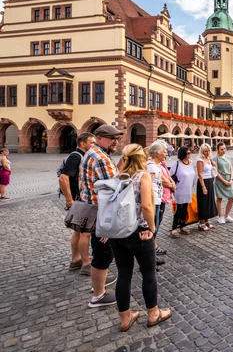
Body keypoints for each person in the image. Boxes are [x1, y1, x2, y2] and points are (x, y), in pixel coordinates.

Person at [109, 144, 172, 332]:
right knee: (148, 273)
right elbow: (146, 207)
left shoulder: (117, 177)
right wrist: (152, 230)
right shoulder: (142, 176)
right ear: (141, 157)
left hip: (118, 233)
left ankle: (125, 318)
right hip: (139, 233)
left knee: (124, 275)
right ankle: (153, 313)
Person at [79, 124, 122, 308]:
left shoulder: (94, 153)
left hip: (93, 210)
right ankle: (98, 295)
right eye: (112, 138)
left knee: (101, 252)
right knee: (103, 254)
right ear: (100, 137)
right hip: (101, 214)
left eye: (117, 138)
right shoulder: (101, 158)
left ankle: (99, 284)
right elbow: (114, 189)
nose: (116, 141)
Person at [59, 132, 95, 274]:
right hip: (78, 200)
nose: (94, 145)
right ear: (82, 143)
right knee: (84, 232)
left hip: (79, 199)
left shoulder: (82, 155)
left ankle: (76, 260)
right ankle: (85, 263)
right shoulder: (76, 156)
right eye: (92, 143)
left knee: (78, 231)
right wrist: (69, 200)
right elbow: (63, 178)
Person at [147, 141, 168, 260]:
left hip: (157, 200)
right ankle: (150, 256)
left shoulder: (156, 165)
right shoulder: (151, 166)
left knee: (155, 226)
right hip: (153, 201)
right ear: (157, 153)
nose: (166, 154)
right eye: (164, 152)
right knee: (152, 228)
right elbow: (147, 186)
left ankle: (152, 252)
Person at [169, 146, 196, 237]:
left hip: (188, 189)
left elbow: (193, 175)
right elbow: (170, 176)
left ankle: (183, 225)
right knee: (179, 209)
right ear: (182, 153)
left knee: (185, 208)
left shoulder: (191, 163)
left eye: (189, 153)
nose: (189, 155)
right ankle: (174, 228)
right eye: (187, 153)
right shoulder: (176, 164)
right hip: (179, 190)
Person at [196, 143, 218, 231]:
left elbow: (215, 169)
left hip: (210, 181)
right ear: (202, 151)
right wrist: (203, 187)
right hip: (203, 181)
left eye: (208, 150)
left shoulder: (209, 159)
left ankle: (206, 220)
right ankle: (201, 222)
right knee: (203, 202)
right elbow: (200, 174)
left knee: (209, 202)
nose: (207, 152)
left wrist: (214, 164)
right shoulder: (200, 160)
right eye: (205, 151)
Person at [214, 142, 233, 224]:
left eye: (224, 149)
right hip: (220, 180)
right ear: (218, 150)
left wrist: (231, 179)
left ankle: (226, 216)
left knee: (232, 198)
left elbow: (231, 169)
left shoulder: (228, 157)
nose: (224, 151)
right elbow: (215, 172)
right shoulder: (215, 159)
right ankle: (220, 216)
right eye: (221, 149)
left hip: (229, 179)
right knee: (219, 198)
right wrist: (224, 181)